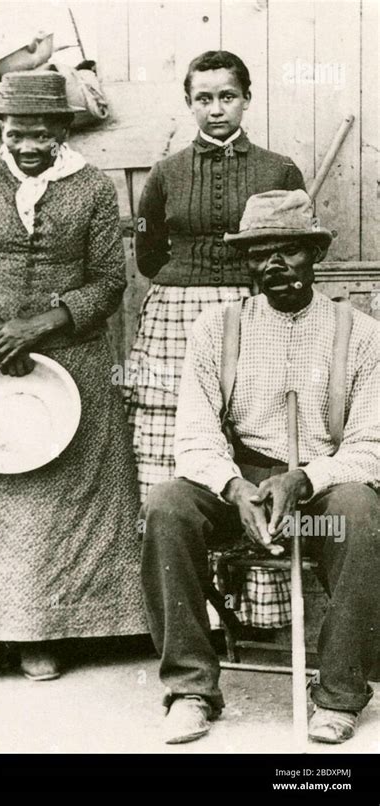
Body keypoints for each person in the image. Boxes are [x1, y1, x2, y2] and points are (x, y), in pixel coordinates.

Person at [0, 72, 146, 682]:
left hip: (69, 359)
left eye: (40, 134)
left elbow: (108, 282)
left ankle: (45, 634)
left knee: (53, 501)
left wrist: (35, 328)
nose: (27, 146)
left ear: (63, 130)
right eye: (16, 134)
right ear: (2, 131)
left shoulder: (91, 186)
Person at [140, 189, 379, 745]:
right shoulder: (215, 329)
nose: (273, 265)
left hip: (318, 499)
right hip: (242, 494)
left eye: (288, 250)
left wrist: (305, 479)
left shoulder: (362, 335)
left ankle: (340, 695)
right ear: (245, 262)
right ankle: (191, 689)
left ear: (314, 254)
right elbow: (195, 437)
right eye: (258, 253)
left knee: (361, 511)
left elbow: (369, 445)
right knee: (166, 504)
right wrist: (232, 487)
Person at [125, 50, 306, 630]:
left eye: (227, 96)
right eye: (203, 98)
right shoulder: (166, 173)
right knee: (172, 447)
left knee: (252, 437)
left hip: (256, 311)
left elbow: (292, 247)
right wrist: (191, 286)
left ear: (247, 99)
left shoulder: (279, 170)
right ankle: (186, 606)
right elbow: (150, 253)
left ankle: (260, 607)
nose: (216, 108)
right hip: (177, 314)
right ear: (189, 104)